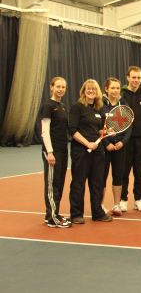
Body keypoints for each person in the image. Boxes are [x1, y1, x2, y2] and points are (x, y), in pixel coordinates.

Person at [68, 79, 112, 224]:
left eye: (94, 89)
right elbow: (72, 130)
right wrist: (87, 143)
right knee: (79, 182)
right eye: (89, 89)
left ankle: (97, 213)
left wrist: (105, 131)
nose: (91, 91)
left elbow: (97, 129)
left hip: (98, 151)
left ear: (98, 91)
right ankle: (76, 214)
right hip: (81, 151)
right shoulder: (77, 107)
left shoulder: (99, 109)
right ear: (83, 91)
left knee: (97, 182)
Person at [41, 76, 71, 228]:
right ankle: (53, 217)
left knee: (59, 183)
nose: (60, 89)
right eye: (58, 86)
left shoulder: (63, 107)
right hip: (52, 151)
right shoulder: (48, 105)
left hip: (63, 150)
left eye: (63, 87)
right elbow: (45, 131)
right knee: (52, 184)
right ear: (51, 87)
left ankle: (52, 214)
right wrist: (50, 152)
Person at [120, 66, 141, 212]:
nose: (136, 80)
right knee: (123, 170)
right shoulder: (121, 94)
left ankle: (139, 199)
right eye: (133, 77)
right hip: (124, 140)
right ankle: (122, 199)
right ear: (128, 77)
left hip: (140, 140)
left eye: (138, 77)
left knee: (140, 171)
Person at [101, 77, 131, 216]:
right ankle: (99, 205)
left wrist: (122, 142)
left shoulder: (123, 104)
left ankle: (117, 204)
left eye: (117, 88)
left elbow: (128, 126)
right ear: (106, 89)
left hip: (120, 147)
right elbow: (97, 126)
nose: (115, 90)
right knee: (101, 176)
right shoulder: (100, 104)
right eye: (112, 88)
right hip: (105, 147)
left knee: (118, 176)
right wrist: (106, 143)